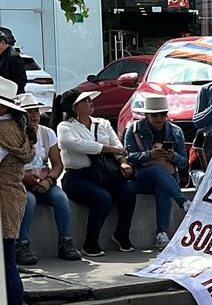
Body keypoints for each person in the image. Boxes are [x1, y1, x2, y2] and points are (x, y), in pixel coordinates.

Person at [57, 89, 138, 257]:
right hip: (78, 176)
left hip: (104, 173)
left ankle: (121, 233)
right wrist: (106, 149)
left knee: (129, 190)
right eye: (85, 101)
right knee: (102, 198)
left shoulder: (102, 123)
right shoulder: (65, 127)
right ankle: (90, 242)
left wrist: (122, 162)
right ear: (75, 107)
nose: (90, 103)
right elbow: (75, 144)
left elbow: (117, 145)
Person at [14, 93, 80, 264]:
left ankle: (65, 241)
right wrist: (25, 178)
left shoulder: (47, 133)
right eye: (28, 112)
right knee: (28, 201)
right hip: (19, 181)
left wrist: (49, 180)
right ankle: (21, 244)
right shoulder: (13, 134)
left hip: (44, 179)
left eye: (35, 110)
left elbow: (58, 164)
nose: (34, 115)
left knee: (60, 199)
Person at [124, 95, 190, 250]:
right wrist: (149, 155)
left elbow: (183, 162)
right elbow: (129, 157)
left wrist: (172, 156)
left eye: (162, 114)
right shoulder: (133, 130)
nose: (159, 118)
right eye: (154, 115)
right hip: (142, 177)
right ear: (146, 115)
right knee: (155, 169)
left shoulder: (176, 131)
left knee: (162, 186)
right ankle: (183, 202)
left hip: (167, 178)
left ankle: (162, 234)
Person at [0, 78, 34, 305]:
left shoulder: (3, 131)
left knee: (8, 267)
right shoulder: (17, 128)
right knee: (9, 265)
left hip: (3, 201)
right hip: (13, 199)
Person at [0, 27, 26, 94]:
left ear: (2, 43)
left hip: (11, 97)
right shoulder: (3, 56)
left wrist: (10, 92)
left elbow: (21, 80)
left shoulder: (13, 57)